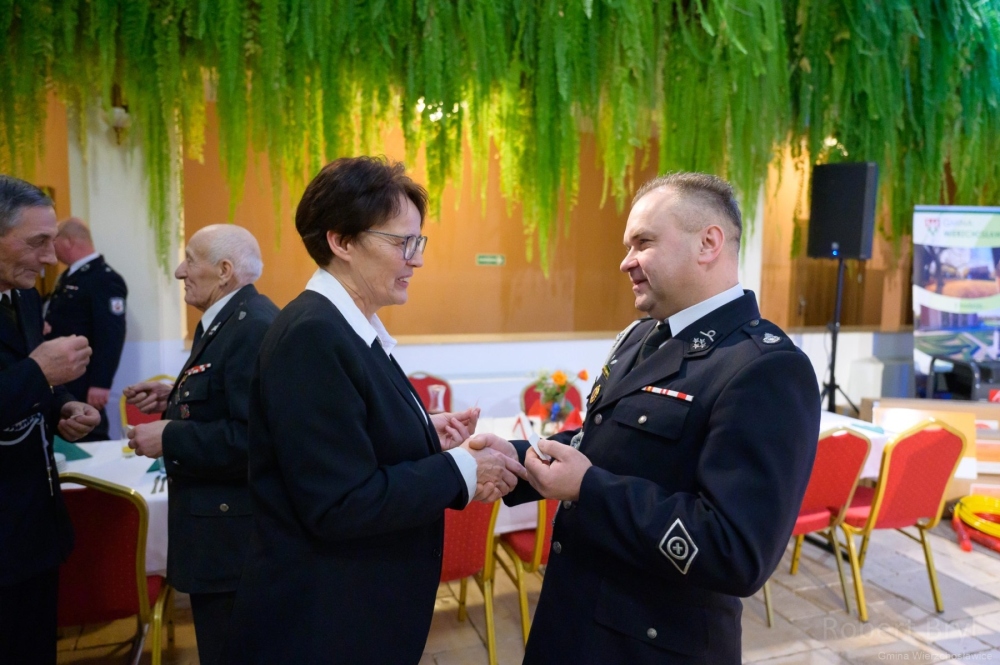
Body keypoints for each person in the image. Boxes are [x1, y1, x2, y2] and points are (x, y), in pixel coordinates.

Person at [477, 172, 822, 664]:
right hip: (574, 622)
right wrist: (513, 459)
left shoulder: (765, 367)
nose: (626, 262)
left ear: (708, 243)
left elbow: (737, 552)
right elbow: (600, 444)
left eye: (643, 243)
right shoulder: (641, 337)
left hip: (649, 646)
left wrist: (589, 488)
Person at [224, 156, 523, 665]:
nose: (416, 260)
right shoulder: (313, 335)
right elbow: (339, 502)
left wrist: (422, 430)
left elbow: (346, 435)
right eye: (402, 242)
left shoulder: (346, 328)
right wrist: (462, 469)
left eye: (418, 242)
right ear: (341, 241)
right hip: (322, 621)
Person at [122, 224, 278, 665]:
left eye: (190, 260)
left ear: (225, 271)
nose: (179, 271)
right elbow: (226, 398)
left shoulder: (252, 326)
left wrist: (169, 435)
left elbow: (256, 439)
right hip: (220, 533)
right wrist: (174, 398)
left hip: (234, 540)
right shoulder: (230, 318)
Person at [0, 175, 100, 664]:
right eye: (37, 242)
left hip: (33, 529)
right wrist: (40, 372)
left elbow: (21, 374)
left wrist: (62, 405)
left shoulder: (21, 295)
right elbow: (28, 371)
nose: (49, 257)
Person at [44, 217, 128, 441]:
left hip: (83, 376)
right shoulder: (69, 275)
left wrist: (101, 383)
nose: (50, 249)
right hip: (63, 376)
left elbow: (110, 335)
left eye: (53, 241)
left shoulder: (104, 278)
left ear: (68, 241)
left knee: (90, 435)